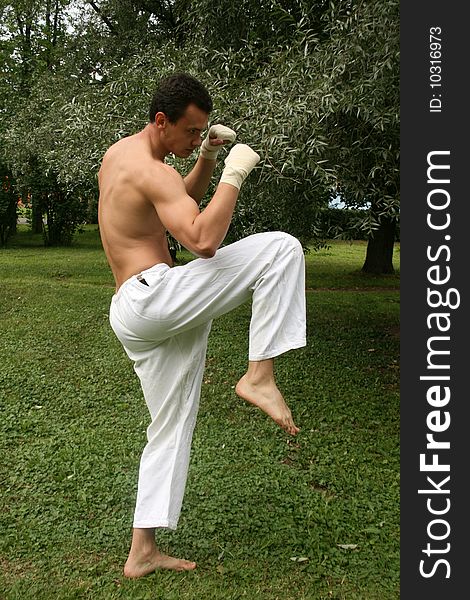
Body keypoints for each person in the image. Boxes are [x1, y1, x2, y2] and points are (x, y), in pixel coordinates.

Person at [98, 73, 306, 579]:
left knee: (169, 426)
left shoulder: (121, 156)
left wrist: (207, 159)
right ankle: (258, 376)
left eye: (203, 131)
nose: (197, 138)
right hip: (156, 297)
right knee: (281, 247)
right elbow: (202, 239)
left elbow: (177, 203)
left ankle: (142, 550)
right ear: (162, 121)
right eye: (192, 132)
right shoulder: (154, 172)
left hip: (135, 309)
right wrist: (234, 173)